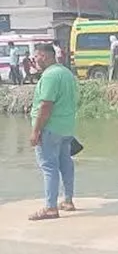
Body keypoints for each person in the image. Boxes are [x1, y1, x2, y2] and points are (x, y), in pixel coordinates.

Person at [28, 43, 78, 221]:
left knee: (49, 167)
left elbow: (46, 105)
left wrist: (36, 131)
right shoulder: (67, 73)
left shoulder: (50, 76)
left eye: (36, 56)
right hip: (67, 127)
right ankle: (68, 200)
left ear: (44, 56)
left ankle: (50, 208)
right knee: (66, 163)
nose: (34, 60)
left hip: (50, 128)